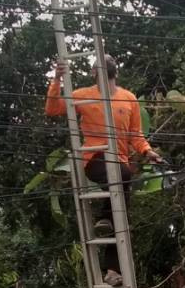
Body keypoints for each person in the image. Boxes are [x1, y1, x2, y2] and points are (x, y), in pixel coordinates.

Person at [45, 56, 165, 240]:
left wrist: (147, 151)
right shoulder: (83, 95)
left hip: (119, 160)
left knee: (121, 218)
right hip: (95, 158)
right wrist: (57, 79)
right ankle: (105, 218)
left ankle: (113, 267)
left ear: (116, 72)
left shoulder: (129, 98)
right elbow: (52, 109)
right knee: (122, 174)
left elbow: (135, 135)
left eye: (108, 60)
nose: (105, 59)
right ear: (93, 73)